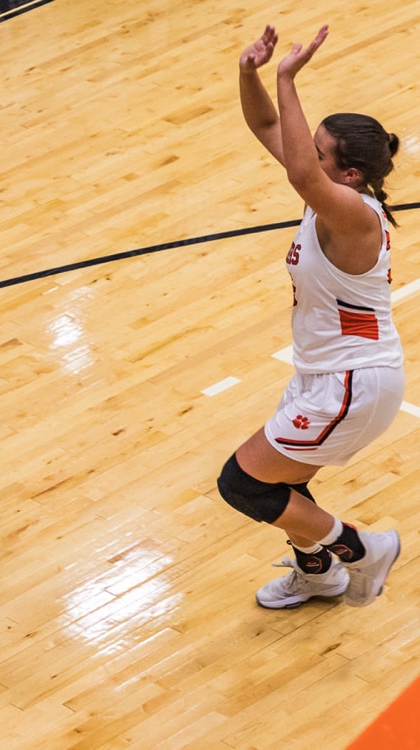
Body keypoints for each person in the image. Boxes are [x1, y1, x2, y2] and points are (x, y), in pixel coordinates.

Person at [217, 25, 404, 609]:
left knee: (242, 484)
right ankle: (317, 572)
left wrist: (287, 76)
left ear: (350, 175)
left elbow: (299, 170)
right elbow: (266, 126)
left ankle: (362, 549)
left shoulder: (353, 216)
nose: (304, 155)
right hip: (328, 374)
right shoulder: (328, 193)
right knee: (285, 482)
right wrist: (249, 72)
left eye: (318, 152)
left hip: (352, 381)